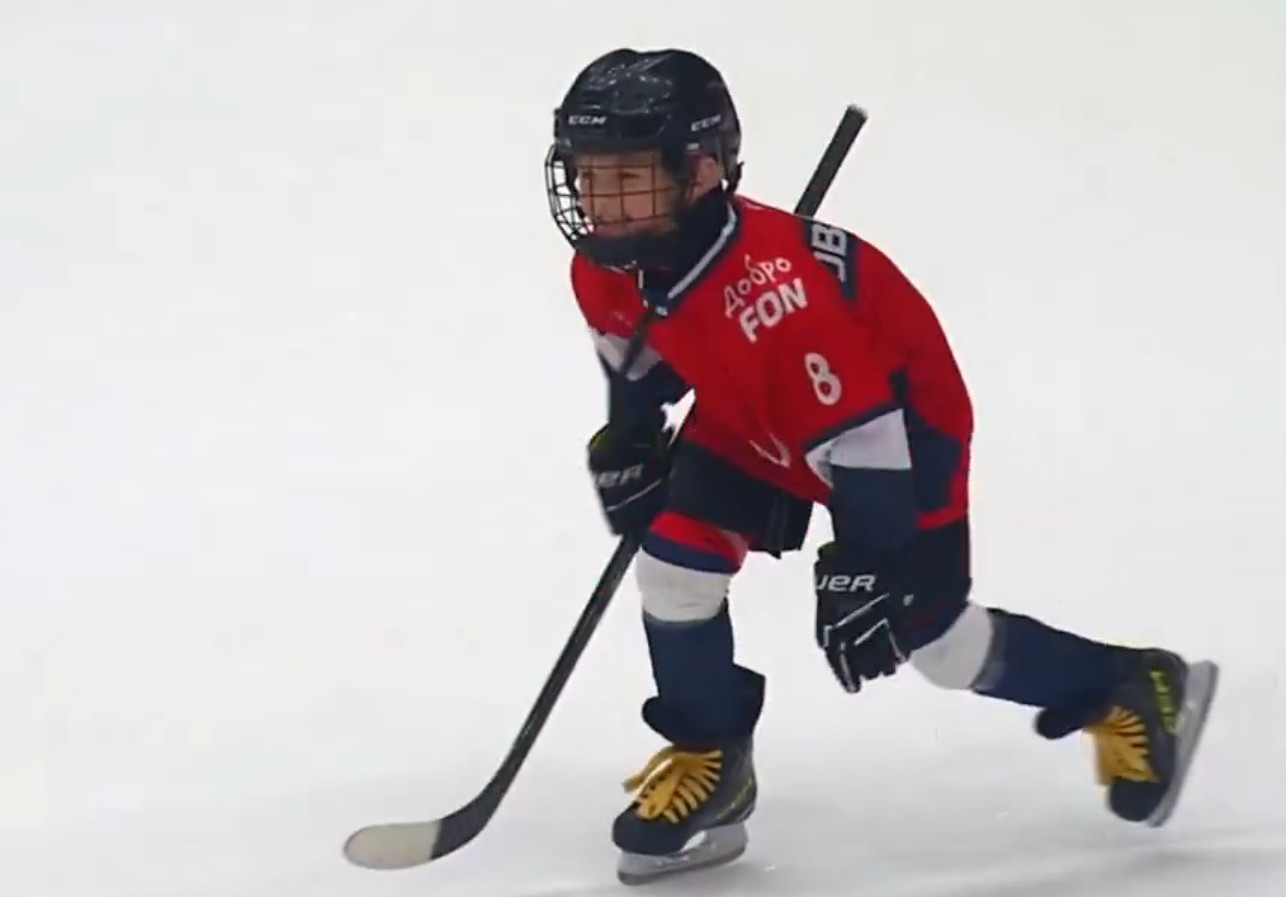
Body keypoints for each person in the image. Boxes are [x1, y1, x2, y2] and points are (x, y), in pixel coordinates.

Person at [544, 47, 1219, 885]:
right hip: (759, 411)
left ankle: (1127, 684)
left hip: (901, 428)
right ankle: (712, 754)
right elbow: (648, 369)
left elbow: (868, 445)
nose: (601, 203)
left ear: (702, 171)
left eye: (628, 179)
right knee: (675, 568)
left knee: (935, 641)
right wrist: (631, 438)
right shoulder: (606, 267)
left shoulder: (785, 300)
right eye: (589, 176)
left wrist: (865, 560)